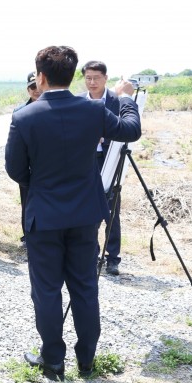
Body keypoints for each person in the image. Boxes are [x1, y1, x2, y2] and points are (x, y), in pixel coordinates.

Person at [5, 46, 140, 380]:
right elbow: (130, 130)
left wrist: (42, 183)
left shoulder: (25, 117)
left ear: (41, 77)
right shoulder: (93, 111)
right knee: (84, 287)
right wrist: (124, 98)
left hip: (44, 215)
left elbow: (15, 169)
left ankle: (53, 360)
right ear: (72, 74)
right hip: (84, 214)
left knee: (47, 289)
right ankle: (87, 361)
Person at [79, 60, 126, 275]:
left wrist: (104, 136)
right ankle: (92, 253)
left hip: (111, 160)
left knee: (112, 208)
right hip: (87, 162)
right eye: (88, 78)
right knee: (88, 208)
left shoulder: (116, 101)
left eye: (96, 78)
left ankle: (113, 257)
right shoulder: (79, 101)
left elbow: (124, 129)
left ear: (106, 78)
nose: (92, 82)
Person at [13, 72, 41, 239]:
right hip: (26, 164)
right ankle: (27, 235)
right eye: (32, 87)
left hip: (44, 163)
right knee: (26, 201)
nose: (36, 91)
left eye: (38, 86)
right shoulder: (20, 111)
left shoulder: (52, 109)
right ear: (28, 90)